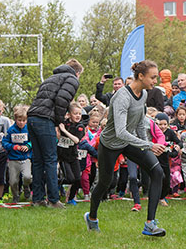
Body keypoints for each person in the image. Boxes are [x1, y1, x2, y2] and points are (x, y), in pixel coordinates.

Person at [85, 60, 167, 236]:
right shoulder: (122, 96)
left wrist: (146, 147)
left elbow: (138, 123)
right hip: (110, 144)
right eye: (153, 77)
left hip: (129, 141)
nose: (155, 81)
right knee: (104, 183)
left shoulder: (143, 94)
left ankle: (150, 224)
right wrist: (149, 145)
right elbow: (121, 132)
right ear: (140, 76)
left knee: (157, 172)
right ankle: (91, 218)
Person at [27, 59, 82, 208]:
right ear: (77, 73)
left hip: (32, 117)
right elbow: (62, 100)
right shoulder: (71, 79)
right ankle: (53, 200)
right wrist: (59, 123)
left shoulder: (51, 78)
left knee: (38, 160)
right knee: (51, 160)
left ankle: (37, 199)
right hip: (45, 120)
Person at [57, 102, 87, 206]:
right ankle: (56, 183)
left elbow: (76, 140)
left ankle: (70, 199)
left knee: (77, 179)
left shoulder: (80, 127)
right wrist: (60, 129)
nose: (78, 116)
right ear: (69, 114)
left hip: (73, 156)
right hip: (63, 157)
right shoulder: (63, 123)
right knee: (70, 179)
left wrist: (64, 131)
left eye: (79, 114)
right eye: (75, 113)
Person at [3, 105, 33, 202]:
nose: (21, 123)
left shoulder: (29, 129)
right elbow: (4, 142)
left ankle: (26, 186)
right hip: (13, 159)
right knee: (13, 181)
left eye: (24, 121)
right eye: (19, 120)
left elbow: (33, 140)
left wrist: (28, 146)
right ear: (15, 119)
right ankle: (16, 195)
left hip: (26, 158)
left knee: (27, 177)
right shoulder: (11, 130)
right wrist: (13, 147)